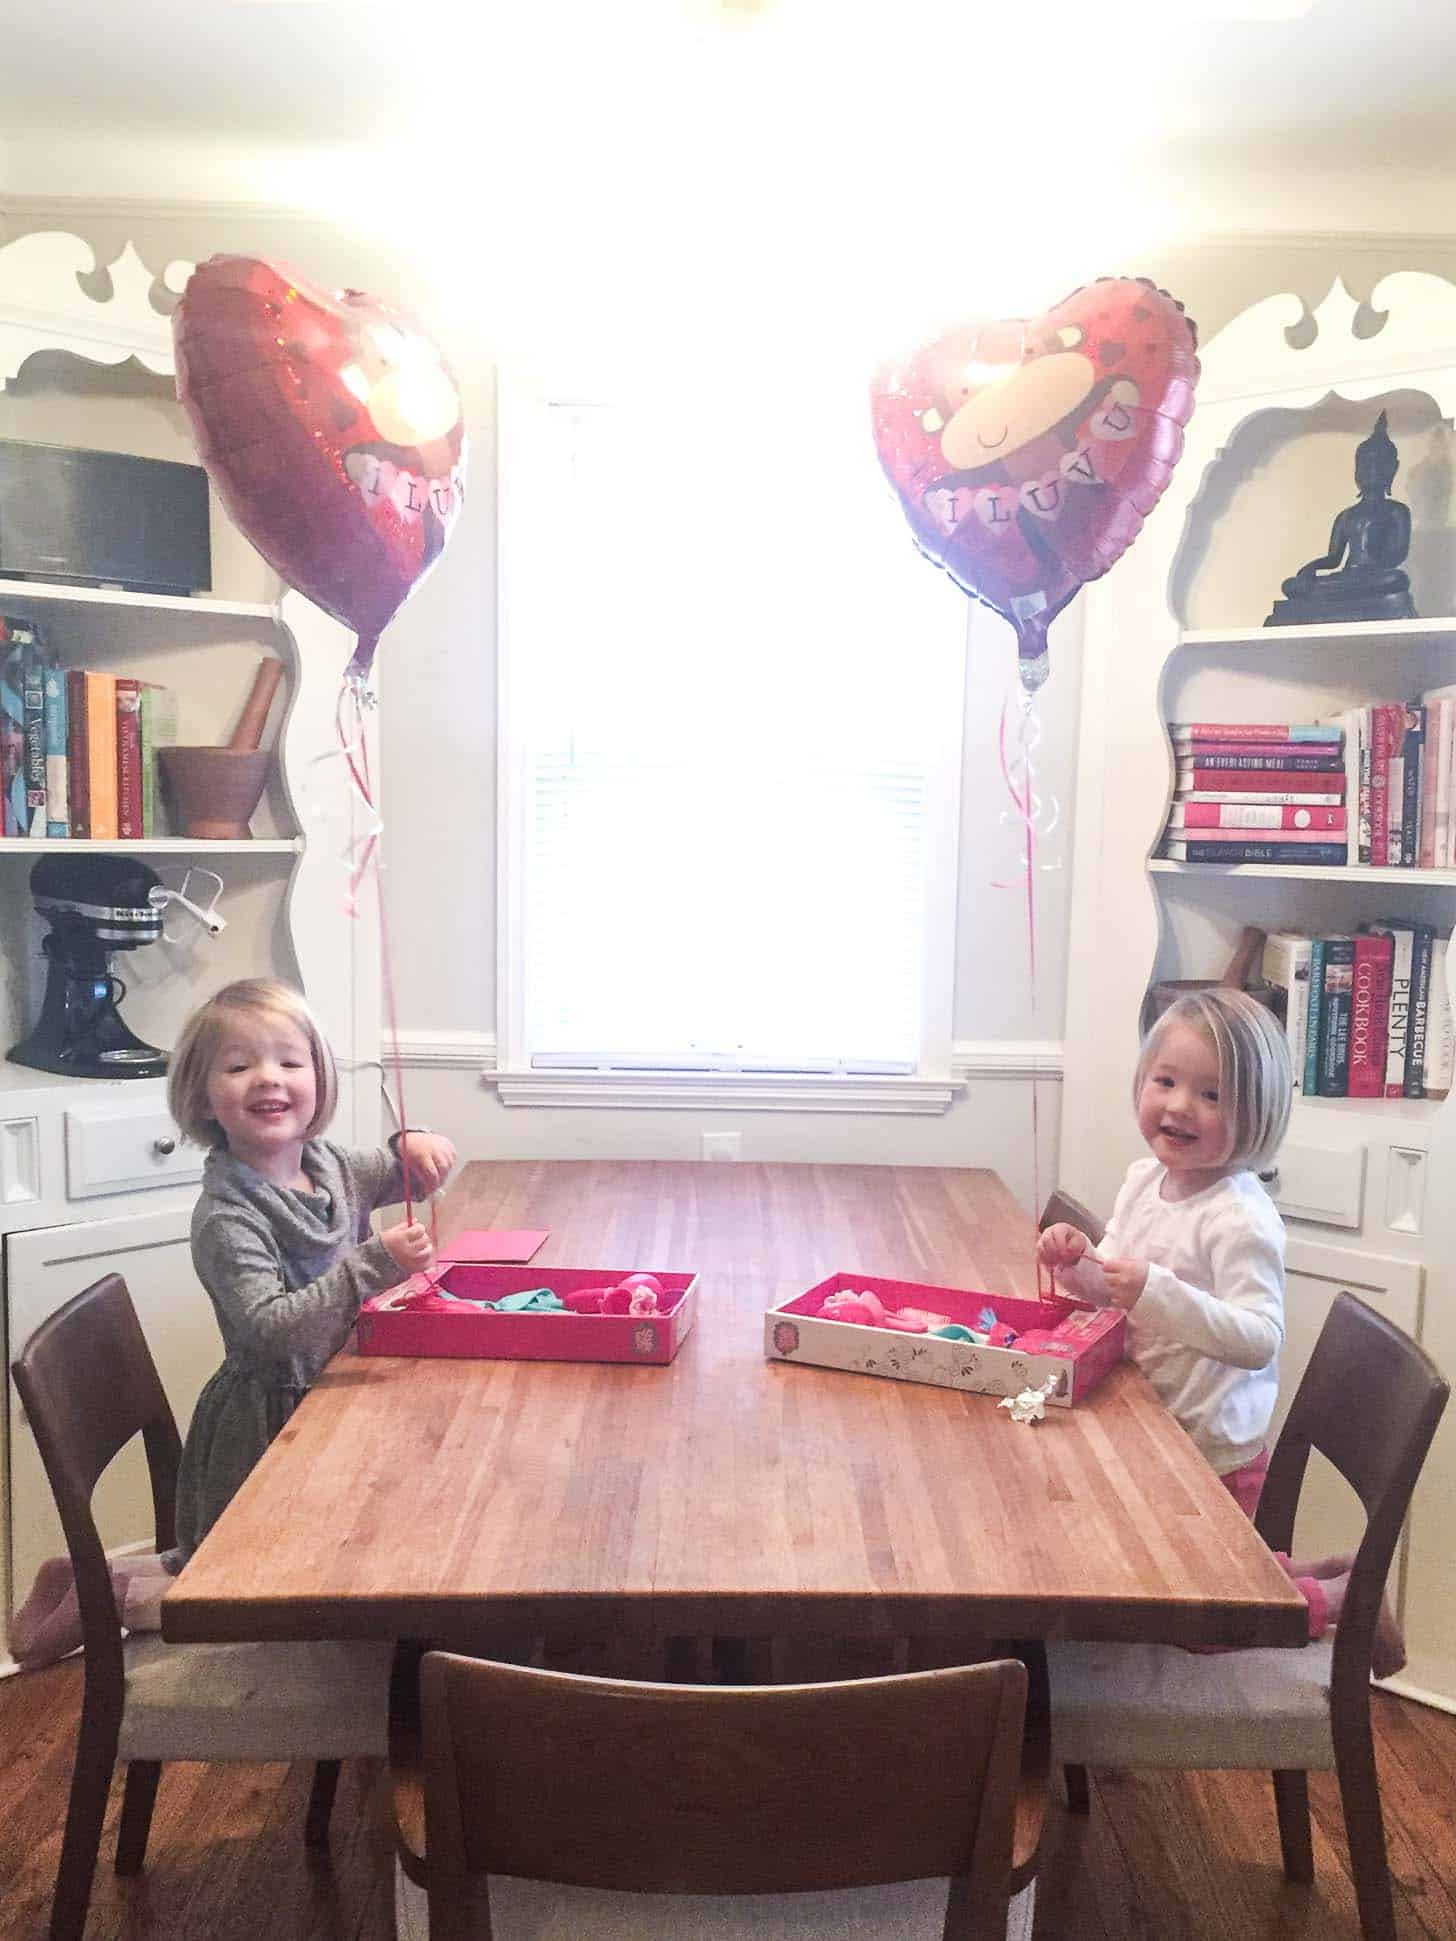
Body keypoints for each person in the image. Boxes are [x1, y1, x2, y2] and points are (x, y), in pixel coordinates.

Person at [10, 977, 455, 1670]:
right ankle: (106, 1597)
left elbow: (401, 1174)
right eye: (240, 1064)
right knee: (242, 1586)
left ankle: (110, 1576)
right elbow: (269, 1330)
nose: (267, 1079)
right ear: (204, 1095)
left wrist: (414, 1142)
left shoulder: (326, 1164)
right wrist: (373, 1264)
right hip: (267, 1429)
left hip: (329, 1406)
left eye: (288, 1060)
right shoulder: (227, 1216)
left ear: (319, 1078)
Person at [1038, 987, 1406, 1678]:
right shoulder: (1145, 1180)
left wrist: (1157, 1288)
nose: (1179, 1105)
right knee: (1167, 1574)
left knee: (1203, 1623)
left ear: (1256, 1113)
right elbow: (1116, 1286)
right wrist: (1075, 1263)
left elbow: (1258, 1336)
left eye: (1211, 1093)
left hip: (1209, 1448)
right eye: (1166, 1081)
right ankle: (1296, 1572)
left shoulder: (1241, 1216)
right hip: (1152, 1426)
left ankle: (1341, 1598)